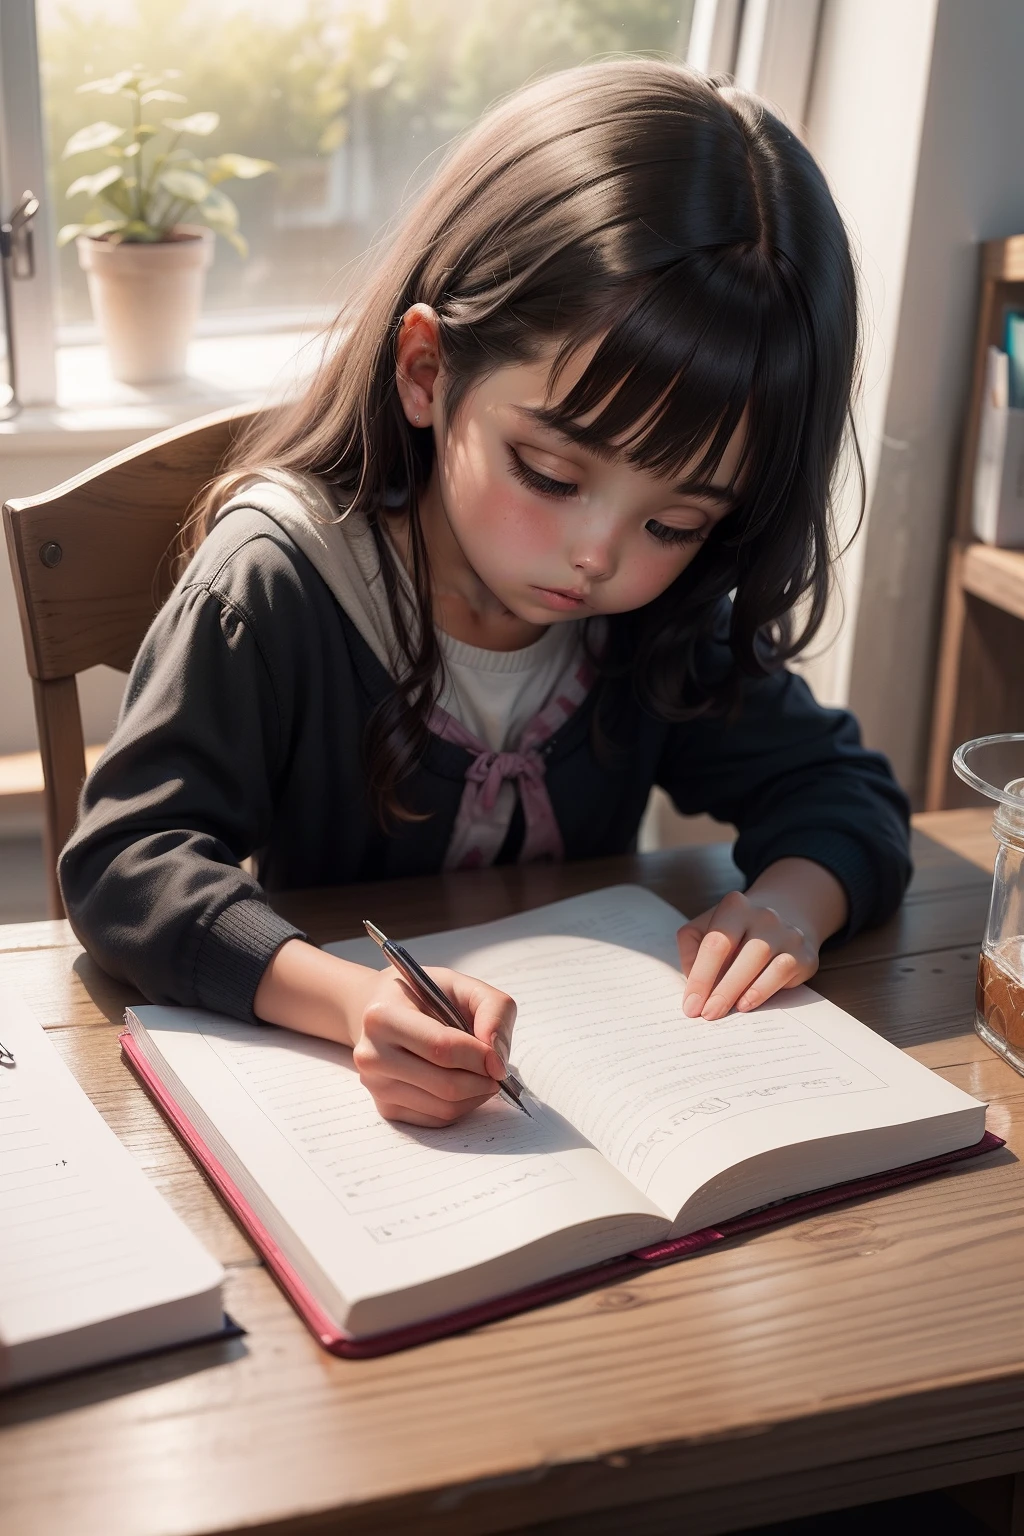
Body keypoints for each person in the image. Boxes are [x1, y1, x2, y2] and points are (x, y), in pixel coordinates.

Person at [60, 60, 911, 1129]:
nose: (595, 556)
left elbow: (845, 794)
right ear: (427, 369)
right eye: (550, 475)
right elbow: (126, 867)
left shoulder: (654, 622)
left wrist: (790, 907)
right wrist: (354, 1001)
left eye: (676, 521)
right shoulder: (276, 585)